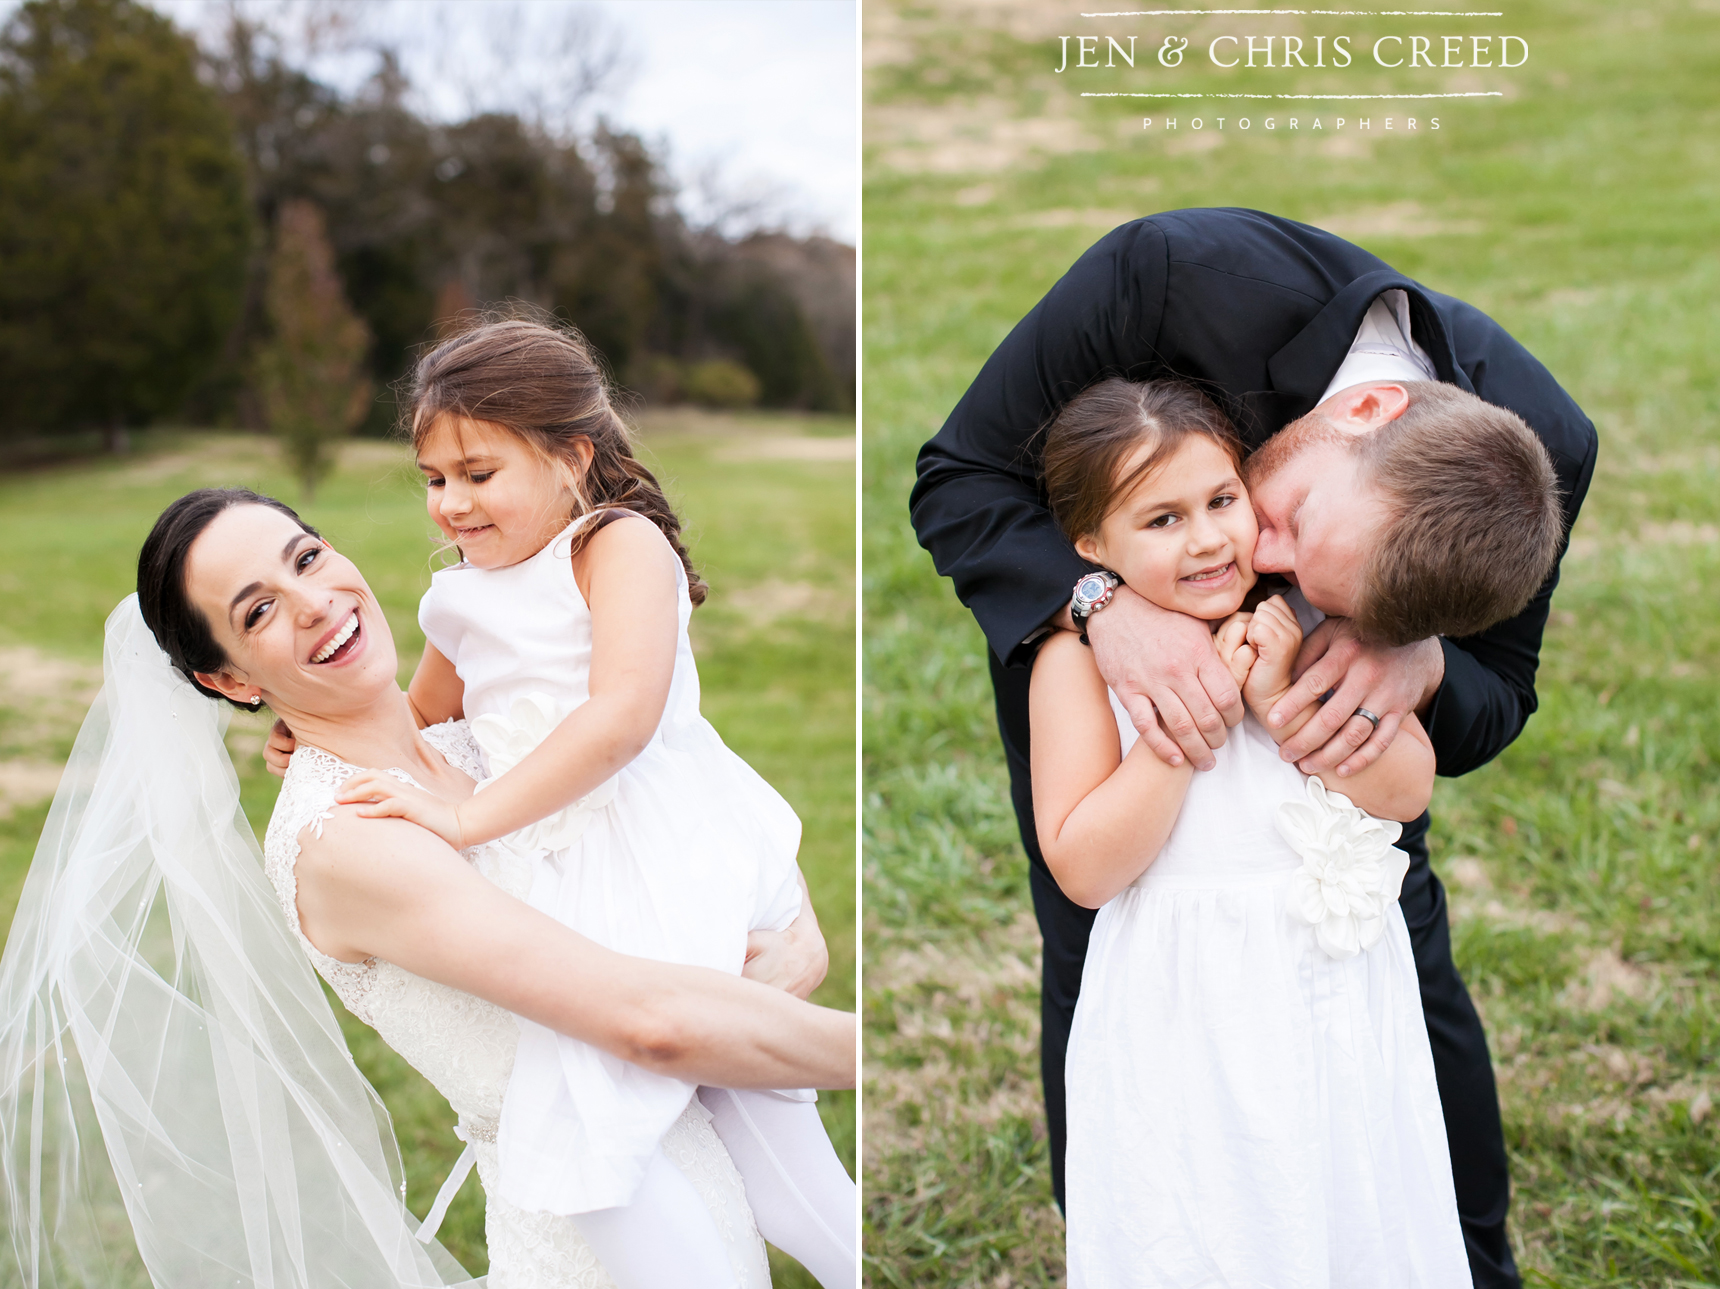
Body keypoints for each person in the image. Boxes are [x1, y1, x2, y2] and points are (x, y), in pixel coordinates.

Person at [910, 207, 1597, 1287]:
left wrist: (1415, 661)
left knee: (1390, 944)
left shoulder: (1541, 451)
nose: (1256, 559)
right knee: (1098, 954)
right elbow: (959, 475)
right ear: (1364, 408)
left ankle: (1457, 1255)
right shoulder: (1165, 276)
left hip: (1324, 777)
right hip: (1111, 661)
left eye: (1331, 590)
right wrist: (1094, 605)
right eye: (1285, 524)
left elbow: (1496, 694)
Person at [0, 487, 855, 1288]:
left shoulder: (474, 732)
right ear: (232, 681)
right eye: (258, 611)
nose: (314, 603)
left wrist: (799, 930)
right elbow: (650, 1025)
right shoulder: (349, 841)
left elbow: (678, 818)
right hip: (596, 1232)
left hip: (703, 1153)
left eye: (305, 558)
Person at [299, 316, 854, 1288]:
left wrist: (470, 818)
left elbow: (620, 720)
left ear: (570, 455)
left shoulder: (613, 543)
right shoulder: (464, 590)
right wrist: (307, 720)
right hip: (561, 858)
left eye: (478, 471)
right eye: (434, 478)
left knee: (602, 1124)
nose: (452, 504)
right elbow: (421, 717)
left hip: (653, 841)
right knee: (675, 1133)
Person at [1036, 376, 1561, 1285]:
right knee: (1209, 1214)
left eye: (1221, 501)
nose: (1205, 538)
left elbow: (1406, 789)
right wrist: (1183, 727)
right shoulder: (1076, 664)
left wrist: (1280, 695)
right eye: (1160, 521)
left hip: (1335, 989)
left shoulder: (1318, 620)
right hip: (1184, 1000)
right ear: (1092, 547)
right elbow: (1083, 867)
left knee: (1349, 1200)